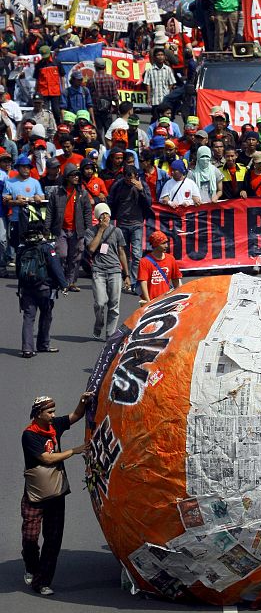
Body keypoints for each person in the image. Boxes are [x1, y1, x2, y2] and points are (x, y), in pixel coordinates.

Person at [21, 393, 91, 595]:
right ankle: (31, 566)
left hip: (56, 492)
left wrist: (82, 401)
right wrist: (74, 450)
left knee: (53, 539)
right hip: (35, 495)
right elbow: (47, 459)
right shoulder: (29, 435)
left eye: (54, 411)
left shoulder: (55, 425)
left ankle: (42, 582)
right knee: (30, 538)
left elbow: (76, 415)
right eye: (49, 412)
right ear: (38, 414)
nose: (53, 415)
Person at [15, 220, 68, 358]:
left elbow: (18, 270)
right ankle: (43, 344)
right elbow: (56, 267)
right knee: (46, 315)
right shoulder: (46, 247)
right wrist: (63, 285)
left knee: (28, 317)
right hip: (44, 288)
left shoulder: (22, 247)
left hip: (26, 289)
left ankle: (27, 348)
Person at [85, 203, 130, 341]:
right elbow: (91, 249)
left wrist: (126, 274)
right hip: (98, 270)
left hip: (115, 270)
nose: (106, 217)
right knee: (100, 302)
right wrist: (101, 231)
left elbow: (121, 252)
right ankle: (98, 324)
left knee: (114, 304)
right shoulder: (90, 232)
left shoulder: (117, 231)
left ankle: (110, 335)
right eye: (103, 215)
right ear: (98, 217)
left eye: (107, 214)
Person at [44, 163, 92, 293]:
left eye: (77, 175)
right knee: (62, 255)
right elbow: (50, 212)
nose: (76, 177)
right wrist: (46, 229)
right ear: (67, 177)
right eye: (73, 175)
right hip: (61, 229)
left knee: (76, 258)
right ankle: (62, 280)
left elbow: (87, 212)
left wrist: (89, 230)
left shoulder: (83, 193)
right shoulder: (56, 193)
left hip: (78, 230)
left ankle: (71, 282)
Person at [107, 166, 152, 292]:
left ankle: (133, 282)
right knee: (123, 254)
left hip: (137, 223)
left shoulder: (142, 185)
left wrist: (141, 190)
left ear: (136, 176)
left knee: (137, 254)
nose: (129, 180)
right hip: (122, 224)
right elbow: (110, 201)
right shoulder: (118, 186)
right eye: (127, 177)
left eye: (132, 177)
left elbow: (149, 203)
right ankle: (125, 277)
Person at [3, 155, 45, 250]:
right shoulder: (9, 182)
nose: (26, 169)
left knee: (32, 246)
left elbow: (42, 197)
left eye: (28, 167)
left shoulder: (35, 182)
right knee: (17, 246)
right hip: (16, 219)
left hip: (32, 220)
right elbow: (5, 201)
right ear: (17, 168)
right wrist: (17, 202)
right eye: (23, 166)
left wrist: (33, 197)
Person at [137, 230, 181, 303]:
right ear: (155, 245)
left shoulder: (171, 259)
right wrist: (148, 302)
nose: (166, 246)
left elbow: (176, 280)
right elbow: (143, 283)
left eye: (166, 242)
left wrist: (178, 298)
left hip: (167, 300)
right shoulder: (144, 262)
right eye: (163, 243)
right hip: (152, 301)